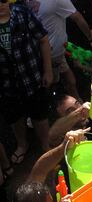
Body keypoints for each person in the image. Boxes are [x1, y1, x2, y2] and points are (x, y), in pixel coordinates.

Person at [0, 1, 53, 161]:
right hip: (7, 84)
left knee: (39, 113)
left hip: (32, 77)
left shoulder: (22, 13)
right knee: (15, 116)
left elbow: (43, 39)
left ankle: (45, 145)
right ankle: (22, 144)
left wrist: (48, 70)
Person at [25, 0, 92, 99]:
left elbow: (77, 17)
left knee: (60, 82)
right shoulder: (25, 2)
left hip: (55, 51)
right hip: (41, 53)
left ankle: (76, 104)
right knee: (57, 82)